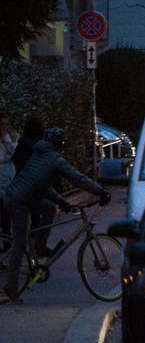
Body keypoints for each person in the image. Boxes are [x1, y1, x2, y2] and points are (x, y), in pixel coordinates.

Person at [4, 121, 110, 303]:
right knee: (20, 243)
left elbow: (43, 185)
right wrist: (100, 191)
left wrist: (61, 202)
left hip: (24, 196)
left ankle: (39, 245)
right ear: (59, 144)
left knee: (50, 208)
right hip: (18, 201)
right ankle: (11, 287)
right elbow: (77, 178)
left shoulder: (39, 155)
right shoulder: (53, 159)